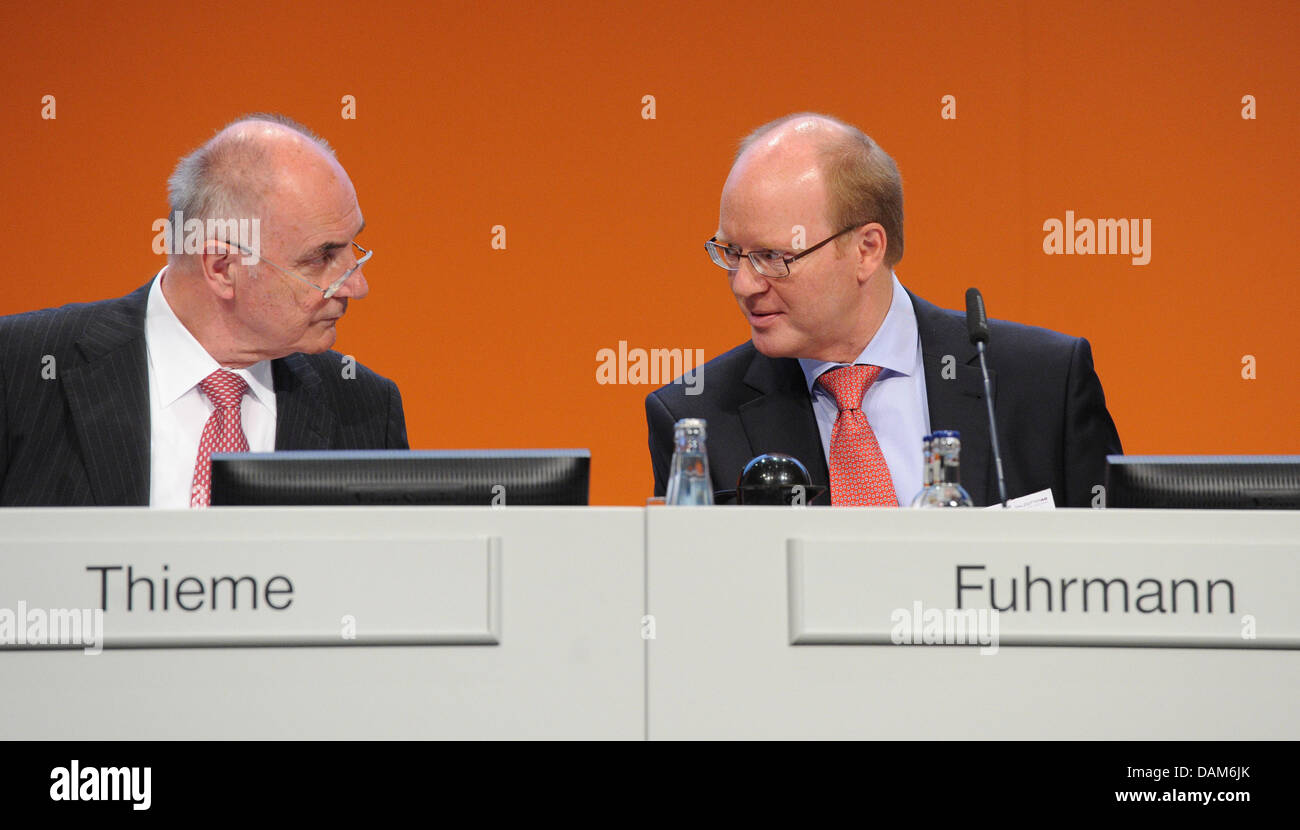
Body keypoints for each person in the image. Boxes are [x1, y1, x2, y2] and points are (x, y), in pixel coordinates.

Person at [645, 113, 1121, 507]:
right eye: (731, 253)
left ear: (866, 249)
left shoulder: (1042, 383)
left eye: (773, 257)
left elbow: (1124, 577)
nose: (745, 284)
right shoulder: (695, 419)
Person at [0, 113, 407, 507]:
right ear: (222, 269)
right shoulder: (19, 369)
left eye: (351, 249)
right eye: (322, 258)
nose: (357, 285)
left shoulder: (365, 408)